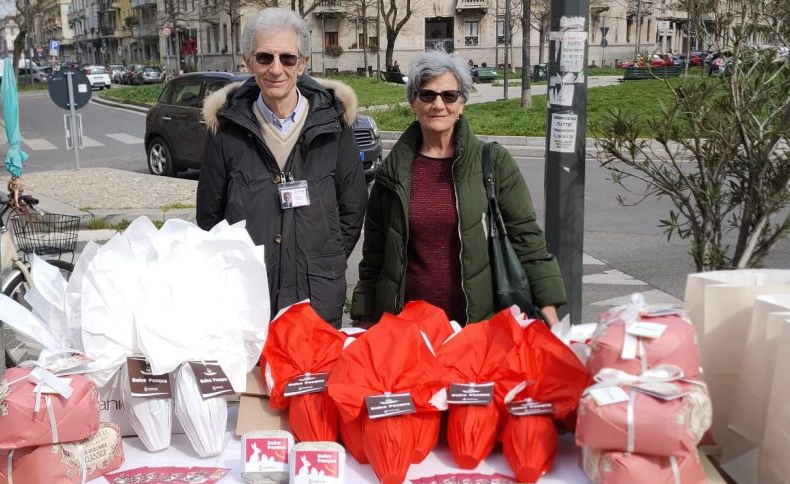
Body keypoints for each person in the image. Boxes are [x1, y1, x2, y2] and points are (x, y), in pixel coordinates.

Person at [350, 50, 564, 328]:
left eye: (449, 95)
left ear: (462, 102)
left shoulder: (493, 163)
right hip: (409, 332)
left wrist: (550, 316)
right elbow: (375, 255)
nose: (438, 104)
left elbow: (527, 239)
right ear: (413, 102)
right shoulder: (393, 171)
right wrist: (365, 318)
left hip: (476, 328)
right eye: (427, 95)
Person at [197, 7, 368, 328]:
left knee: (312, 379)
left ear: (303, 64)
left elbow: (353, 207)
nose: (276, 69)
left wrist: (323, 261)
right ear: (247, 61)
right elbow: (210, 217)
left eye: (287, 58)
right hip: (247, 297)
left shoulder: (334, 125)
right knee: (253, 379)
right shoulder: (226, 130)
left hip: (315, 296)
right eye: (264, 58)